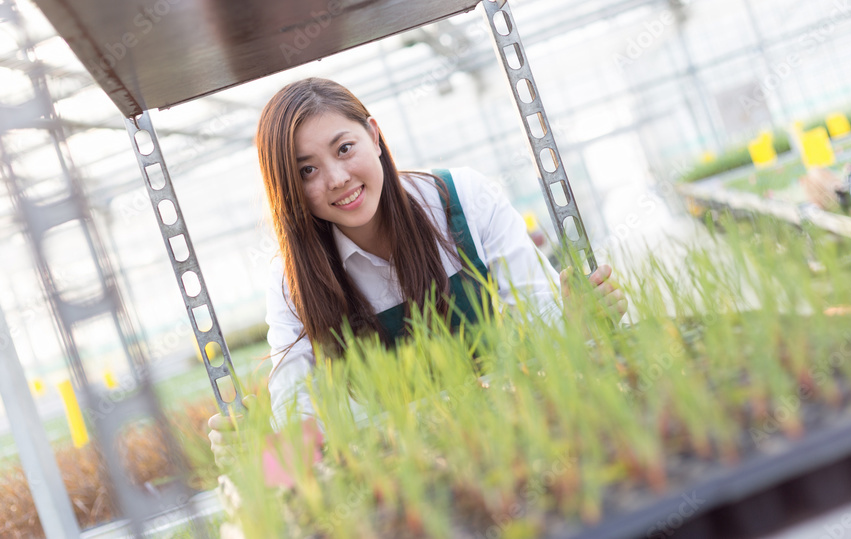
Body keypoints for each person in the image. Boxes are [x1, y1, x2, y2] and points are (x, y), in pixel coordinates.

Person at [209, 77, 626, 466]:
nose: (337, 178)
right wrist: (255, 453)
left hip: (527, 439)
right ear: (288, 186)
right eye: (307, 171)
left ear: (374, 136)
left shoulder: (460, 198)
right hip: (415, 470)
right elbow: (295, 408)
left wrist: (580, 325)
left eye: (344, 148)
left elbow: (542, 323)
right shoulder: (292, 282)